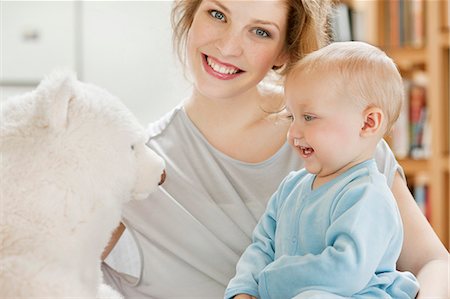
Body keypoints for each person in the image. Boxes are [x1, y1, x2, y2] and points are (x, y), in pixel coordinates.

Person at [102, 0, 449, 298]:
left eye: (260, 31)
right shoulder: (133, 170)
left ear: (285, 48)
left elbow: (434, 263)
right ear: (191, 14)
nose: (228, 46)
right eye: (217, 14)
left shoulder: (340, 134)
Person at [224, 41, 420, 299]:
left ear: (367, 123)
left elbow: (346, 271)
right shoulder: (291, 188)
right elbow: (262, 246)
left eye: (309, 117)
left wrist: (270, 280)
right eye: (291, 117)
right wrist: (245, 289)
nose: (293, 133)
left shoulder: (368, 195)